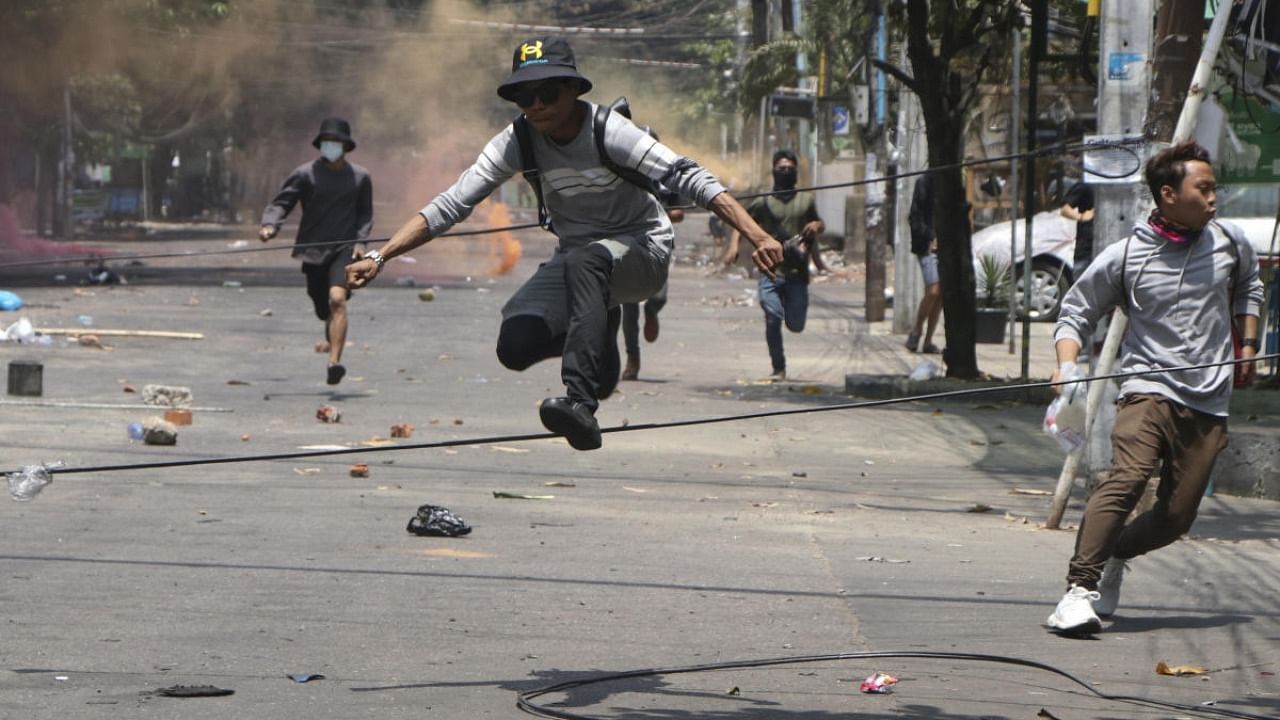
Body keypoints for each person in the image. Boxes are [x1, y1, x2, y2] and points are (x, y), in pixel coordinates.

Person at [346, 37, 782, 451]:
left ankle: (581, 406)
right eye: (524, 97)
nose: (536, 106)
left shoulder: (608, 130)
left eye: (548, 93)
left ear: (573, 88)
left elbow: (690, 175)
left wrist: (757, 234)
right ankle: (598, 337)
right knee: (515, 346)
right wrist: (380, 255)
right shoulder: (518, 141)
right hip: (580, 260)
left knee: (589, 260)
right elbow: (453, 202)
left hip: (642, 251)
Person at [1045, 141, 1263, 635]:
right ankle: (1078, 590)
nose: (1213, 198)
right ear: (1168, 193)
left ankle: (1117, 551)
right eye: (1202, 188)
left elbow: (1250, 285)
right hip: (1147, 386)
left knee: (1176, 516)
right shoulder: (1126, 256)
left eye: (1214, 188)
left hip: (1209, 395)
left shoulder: (1229, 241)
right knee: (1127, 476)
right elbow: (1075, 311)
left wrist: (1246, 344)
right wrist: (1067, 365)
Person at [260, 117, 373, 386]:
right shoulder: (305, 174)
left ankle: (334, 363)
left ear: (346, 146)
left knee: (338, 300)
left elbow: (365, 214)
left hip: (343, 249)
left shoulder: (360, 178)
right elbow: (282, 202)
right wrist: (269, 225)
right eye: (326, 142)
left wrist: (360, 243)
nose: (330, 146)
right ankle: (330, 323)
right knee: (324, 307)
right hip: (312, 250)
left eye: (335, 142)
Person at [723, 150, 827, 381]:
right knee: (772, 318)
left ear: (796, 172)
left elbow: (819, 224)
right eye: (781, 168)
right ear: (773, 171)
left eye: (790, 168)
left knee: (796, 325)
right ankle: (778, 367)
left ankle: (786, 342)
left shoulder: (806, 200)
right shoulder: (762, 202)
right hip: (770, 271)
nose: (786, 172)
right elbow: (740, 221)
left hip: (797, 273)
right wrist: (733, 247)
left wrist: (816, 226)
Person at [905, 173, 941, 354]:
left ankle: (928, 341)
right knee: (933, 290)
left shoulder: (954, 183)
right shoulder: (924, 182)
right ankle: (916, 329)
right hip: (927, 246)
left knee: (940, 295)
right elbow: (915, 217)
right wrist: (930, 236)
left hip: (947, 248)